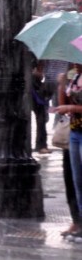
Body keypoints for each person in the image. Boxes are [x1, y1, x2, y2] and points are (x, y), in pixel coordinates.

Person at [55, 63, 82, 239]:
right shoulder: (75, 77)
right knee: (76, 180)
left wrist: (71, 109)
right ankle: (79, 221)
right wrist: (61, 83)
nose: (75, 64)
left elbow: (69, 108)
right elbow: (62, 105)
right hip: (74, 133)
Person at [31, 60, 52, 154]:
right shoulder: (35, 59)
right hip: (33, 92)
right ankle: (41, 145)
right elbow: (38, 74)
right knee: (41, 119)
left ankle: (41, 145)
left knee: (41, 120)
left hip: (36, 92)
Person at [43, 60, 69, 127]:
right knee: (52, 103)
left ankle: (56, 122)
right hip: (53, 79)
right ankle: (52, 118)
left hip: (56, 79)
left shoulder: (48, 50)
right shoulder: (69, 52)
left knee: (56, 103)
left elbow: (43, 63)